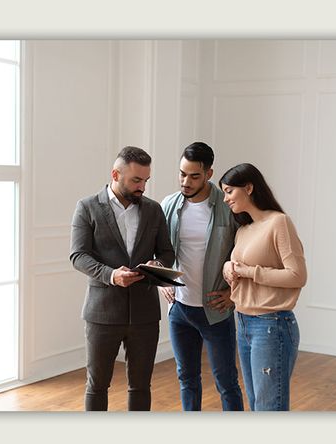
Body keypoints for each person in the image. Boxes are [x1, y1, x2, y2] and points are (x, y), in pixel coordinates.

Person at [70, 146, 175, 411]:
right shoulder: (87, 207)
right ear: (115, 174)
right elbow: (78, 256)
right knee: (97, 385)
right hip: (102, 313)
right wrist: (112, 275)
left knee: (141, 386)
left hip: (145, 315)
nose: (142, 187)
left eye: (146, 180)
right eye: (136, 180)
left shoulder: (153, 210)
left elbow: (166, 251)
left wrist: (158, 264)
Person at [160, 142, 244, 411]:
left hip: (216, 312)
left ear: (209, 173)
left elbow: (247, 253)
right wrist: (162, 281)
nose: (186, 181)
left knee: (226, 381)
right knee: (187, 379)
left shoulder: (227, 207)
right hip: (180, 310)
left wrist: (233, 294)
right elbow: (158, 252)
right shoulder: (169, 205)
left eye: (194, 175)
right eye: (182, 174)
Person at [219, 163, 307, 411]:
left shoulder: (279, 223)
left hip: (272, 325)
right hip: (244, 321)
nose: (225, 199)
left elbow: (297, 276)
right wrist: (228, 267)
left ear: (248, 187)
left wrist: (247, 272)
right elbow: (239, 265)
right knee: (258, 404)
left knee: (269, 408)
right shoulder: (244, 229)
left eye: (229, 191)